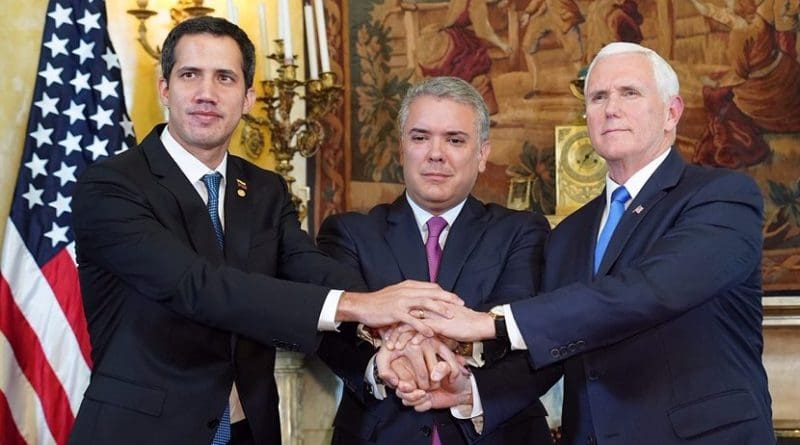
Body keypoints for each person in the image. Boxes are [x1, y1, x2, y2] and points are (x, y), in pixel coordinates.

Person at [68, 17, 462, 445]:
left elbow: (308, 266)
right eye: (189, 75)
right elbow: (197, 287)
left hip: (249, 431)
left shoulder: (263, 189)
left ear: (248, 98)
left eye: (225, 78)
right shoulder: (111, 186)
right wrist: (359, 306)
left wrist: (393, 326)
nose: (206, 93)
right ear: (164, 89)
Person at [398, 42, 775, 445]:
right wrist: (473, 392)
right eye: (598, 97)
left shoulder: (722, 198)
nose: (611, 108)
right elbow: (552, 343)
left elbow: (651, 290)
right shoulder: (568, 234)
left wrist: (493, 322)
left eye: (629, 92)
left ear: (672, 112)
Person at [316, 76, 559, 444]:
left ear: (482, 154)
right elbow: (337, 335)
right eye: (420, 137)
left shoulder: (522, 232)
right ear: (401, 149)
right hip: (379, 432)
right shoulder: (349, 233)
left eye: (455, 139)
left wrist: (460, 381)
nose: (435, 153)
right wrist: (385, 366)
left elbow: (527, 329)